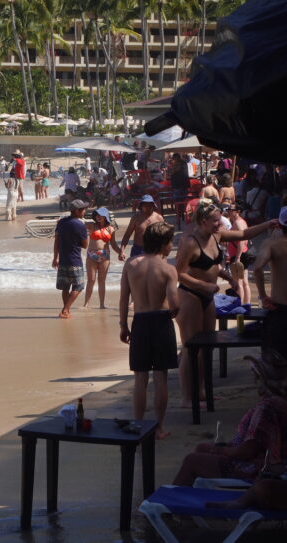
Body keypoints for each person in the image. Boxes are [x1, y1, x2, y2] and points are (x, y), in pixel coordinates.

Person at [175, 204, 277, 407]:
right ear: (203, 221)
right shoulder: (190, 242)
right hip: (190, 296)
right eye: (215, 220)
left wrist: (267, 224)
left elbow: (242, 234)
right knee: (191, 348)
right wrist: (204, 285)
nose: (220, 223)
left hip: (208, 297)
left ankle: (201, 392)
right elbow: (179, 273)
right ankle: (188, 397)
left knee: (207, 346)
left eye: (220, 219)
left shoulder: (216, 235)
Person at [172, 350, 287, 486]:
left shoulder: (266, 407)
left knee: (192, 461)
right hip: (261, 460)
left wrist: (222, 450)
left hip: (256, 467)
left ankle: (168, 501)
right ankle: (192, 495)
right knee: (202, 448)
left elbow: (248, 451)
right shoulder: (277, 401)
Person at [119, 222, 179, 440]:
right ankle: (159, 427)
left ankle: (138, 426)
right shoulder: (168, 269)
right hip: (161, 322)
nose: (172, 246)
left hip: (140, 322)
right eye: (171, 242)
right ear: (163, 244)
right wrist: (174, 310)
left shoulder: (131, 264)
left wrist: (123, 325)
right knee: (161, 378)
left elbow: (124, 298)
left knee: (140, 379)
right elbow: (174, 303)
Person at [255, 207, 287, 352]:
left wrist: (263, 296)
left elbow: (257, 268)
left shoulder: (271, 244)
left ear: (279, 225)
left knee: (278, 361)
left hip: (281, 307)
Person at [52, 199, 89, 319]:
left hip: (63, 259)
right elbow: (85, 245)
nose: (85, 210)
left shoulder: (61, 222)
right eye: (83, 209)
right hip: (75, 260)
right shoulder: (80, 225)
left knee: (65, 287)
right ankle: (65, 310)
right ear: (77, 211)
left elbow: (56, 240)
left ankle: (66, 311)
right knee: (79, 286)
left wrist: (55, 257)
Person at [84, 208, 125, 309]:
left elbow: (114, 244)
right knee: (91, 280)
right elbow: (78, 223)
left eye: (101, 215)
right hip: (91, 255)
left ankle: (102, 304)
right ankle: (86, 304)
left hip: (105, 255)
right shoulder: (91, 225)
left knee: (102, 280)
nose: (98, 217)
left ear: (105, 217)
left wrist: (121, 252)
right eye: (97, 215)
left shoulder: (111, 229)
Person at [225, 202, 252, 304]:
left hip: (238, 255)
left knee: (238, 282)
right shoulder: (240, 221)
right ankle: (246, 304)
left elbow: (241, 239)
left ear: (238, 212)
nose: (228, 211)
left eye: (231, 210)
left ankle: (240, 305)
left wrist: (237, 257)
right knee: (244, 282)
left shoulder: (237, 223)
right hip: (242, 254)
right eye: (228, 210)